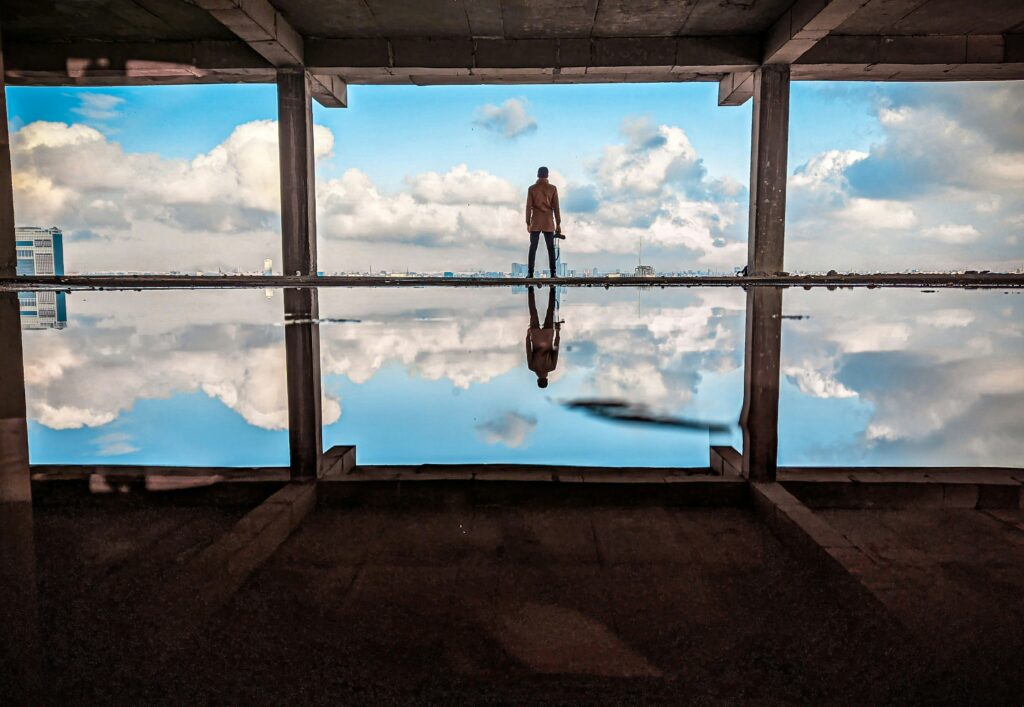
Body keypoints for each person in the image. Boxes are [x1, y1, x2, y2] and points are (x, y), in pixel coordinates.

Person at [525, 166, 561, 278]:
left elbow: (528, 207)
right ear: (547, 175)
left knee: (533, 247)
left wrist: (528, 223)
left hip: (535, 220)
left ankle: (530, 273)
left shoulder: (532, 189)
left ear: (537, 175)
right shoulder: (553, 188)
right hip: (548, 221)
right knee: (550, 248)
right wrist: (558, 223)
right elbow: (556, 207)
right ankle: (553, 273)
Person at [526, 285, 559, 388]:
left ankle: (552, 288)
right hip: (535, 336)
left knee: (550, 310)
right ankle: (531, 288)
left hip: (548, 335)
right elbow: (528, 350)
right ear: (538, 380)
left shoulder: (552, 367)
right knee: (533, 311)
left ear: (547, 379)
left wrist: (558, 332)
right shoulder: (531, 367)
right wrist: (527, 336)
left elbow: (556, 348)